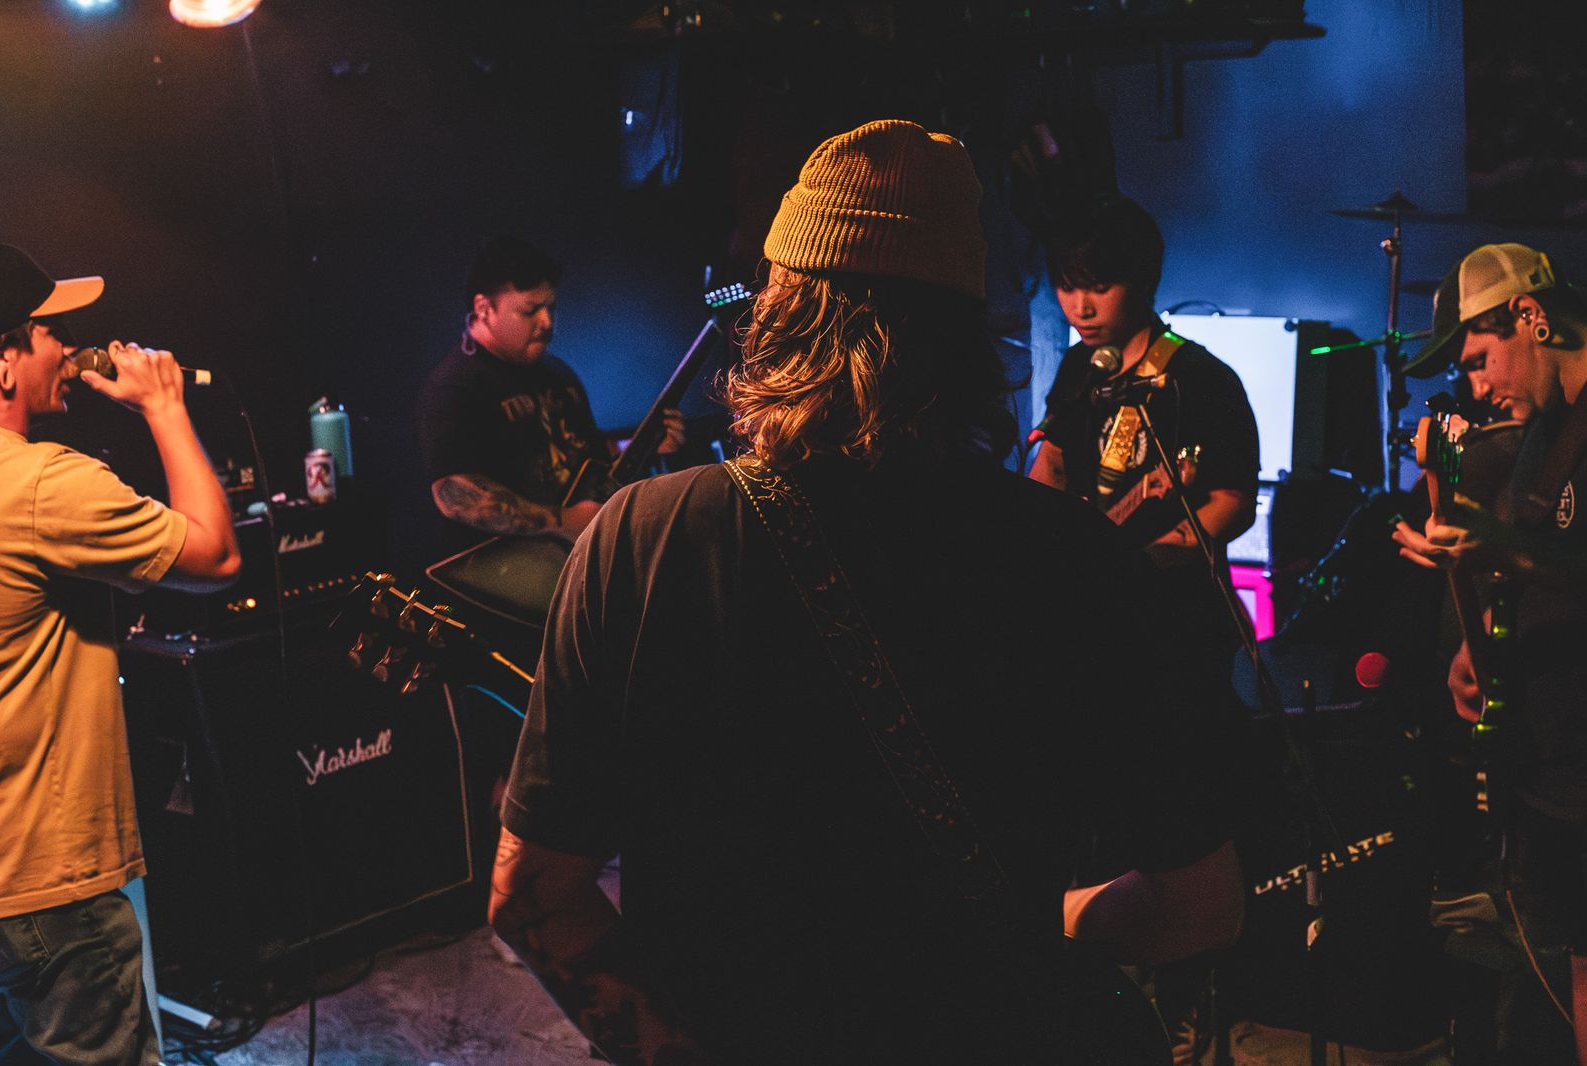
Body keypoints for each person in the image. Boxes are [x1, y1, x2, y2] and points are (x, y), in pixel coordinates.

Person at [488, 119, 1244, 1065]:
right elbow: (1200, 906)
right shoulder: (1079, 559)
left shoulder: (639, 537)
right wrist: (1048, 922)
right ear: (965, 338)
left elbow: (531, 899)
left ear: (777, 314)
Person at [0, 244, 240, 1064]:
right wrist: (165, 408)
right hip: (47, 881)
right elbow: (214, 555)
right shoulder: (40, 484)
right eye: (48, 331)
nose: (68, 348)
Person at [1396, 242, 1587, 1065]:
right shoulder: (1545, 429)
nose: (1477, 388)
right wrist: (1477, 634)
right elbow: (1535, 561)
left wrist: (1503, 548)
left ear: (1531, 317)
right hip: (1555, 761)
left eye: (1480, 360)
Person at [1028, 197, 1259, 658]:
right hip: (1089, 611)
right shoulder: (1078, 367)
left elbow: (1233, 503)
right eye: (1067, 287)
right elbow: (1051, 468)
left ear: (1143, 280)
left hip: (1175, 615)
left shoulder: (1201, 377)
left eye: (1099, 287)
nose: (1080, 308)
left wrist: (1142, 565)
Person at [415, 235, 683, 551]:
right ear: (484, 308)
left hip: (571, 559)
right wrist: (563, 521)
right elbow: (453, 495)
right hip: (506, 570)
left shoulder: (557, 374)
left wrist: (639, 445)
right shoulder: (454, 387)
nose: (546, 321)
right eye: (530, 310)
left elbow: (587, 452)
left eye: (550, 307)